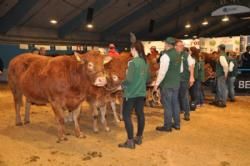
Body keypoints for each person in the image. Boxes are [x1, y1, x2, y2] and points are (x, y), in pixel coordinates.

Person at [118, 41, 150, 149]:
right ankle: (139, 137)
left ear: (134, 49)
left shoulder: (132, 63)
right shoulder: (145, 62)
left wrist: (121, 84)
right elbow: (148, 79)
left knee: (126, 115)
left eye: (130, 49)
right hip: (141, 93)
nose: (130, 51)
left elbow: (129, 80)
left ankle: (130, 141)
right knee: (140, 114)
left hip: (131, 93)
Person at [154, 37, 182, 132]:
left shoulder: (165, 56)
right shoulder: (178, 55)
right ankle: (177, 124)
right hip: (176, 83)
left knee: (167, 106)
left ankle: (167, 126)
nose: (164, 45)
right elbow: (181, 70)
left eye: (165, 43)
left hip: (167, 85)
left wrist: (156, 84)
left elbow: (162, 73)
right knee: (175, 103)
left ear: (167, 44)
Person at [178, 46, 195, 121]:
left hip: (184, 79)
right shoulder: (174, 54)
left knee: (184, 96)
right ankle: (179, 110)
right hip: (176, 79)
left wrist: (191, 77)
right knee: (177, 96)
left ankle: (187, 113)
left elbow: (191, 65)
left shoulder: (186, 55)